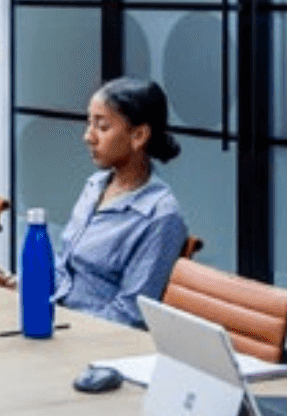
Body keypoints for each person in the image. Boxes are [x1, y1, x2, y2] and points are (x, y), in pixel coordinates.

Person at [55, 76, 188, 328]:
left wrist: (67, 330)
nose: (88, 137)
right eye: (89, 124)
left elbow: (129, 315)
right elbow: (65, 268)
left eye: (102, 127)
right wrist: (25, 288)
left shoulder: (160, 216)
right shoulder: (95, 185)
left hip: (94, 339)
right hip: (60, 321)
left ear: (138, 136)